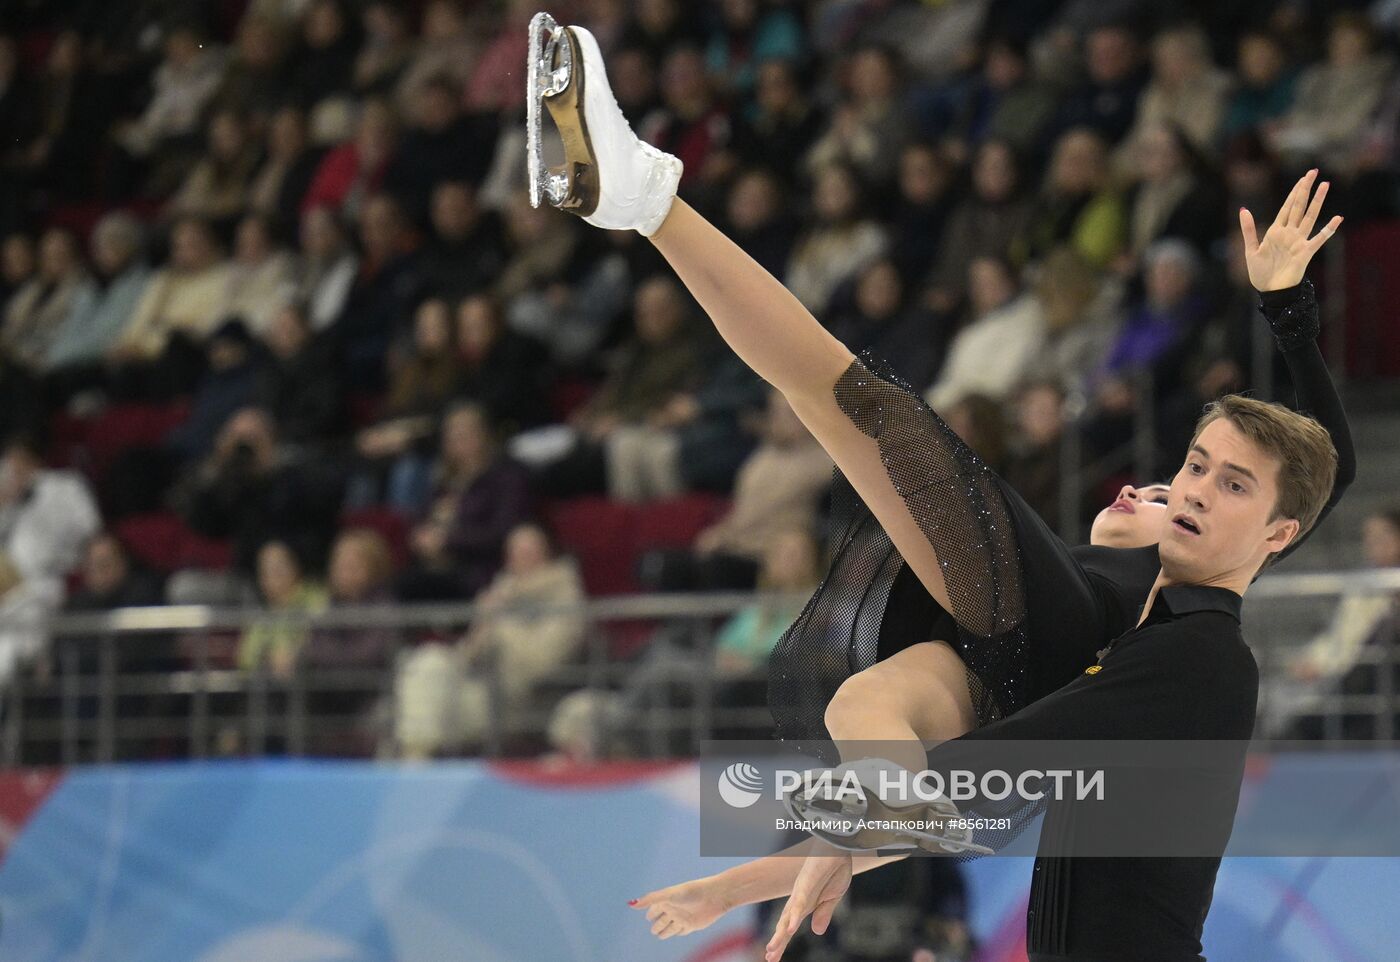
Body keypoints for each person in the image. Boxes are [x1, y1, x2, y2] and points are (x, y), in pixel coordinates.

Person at [524, 24, 1352, 959]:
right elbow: (955, 794)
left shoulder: (1181, 651)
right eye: (1188, 468)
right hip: (1011, 681)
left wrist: (799, 849)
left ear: (1280, 534)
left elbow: (978, 784)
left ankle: (643, 197)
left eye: (1220, 485)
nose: (1176, 490)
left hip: (1037, 676)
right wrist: (1287, 315)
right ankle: (639, 197)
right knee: (859, 697)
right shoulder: (1143, 637)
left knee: (863, 413)